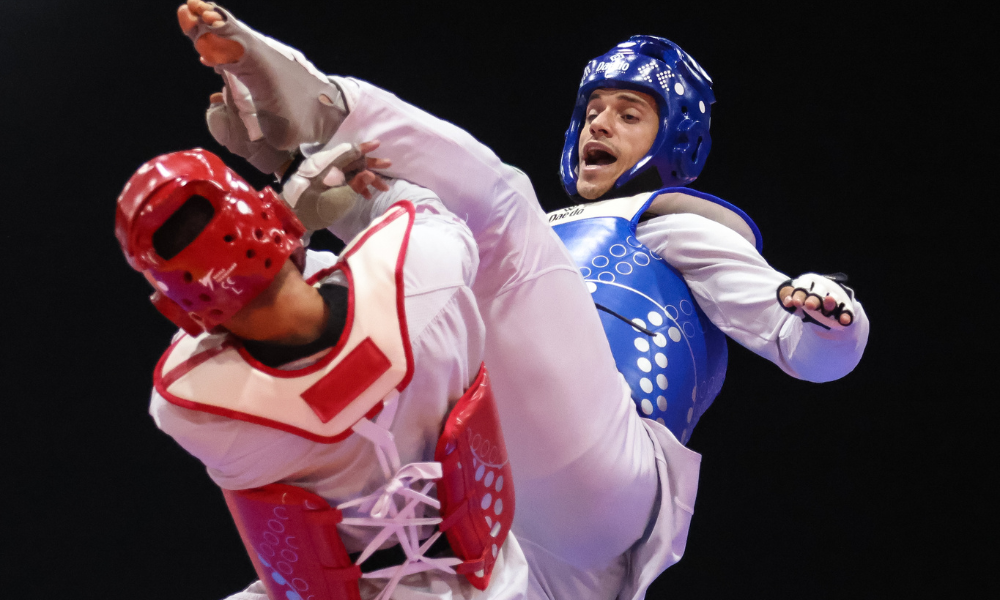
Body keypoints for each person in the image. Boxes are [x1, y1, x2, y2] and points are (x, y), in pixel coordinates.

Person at [153, 3, 701, 599]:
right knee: (503, 215)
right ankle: (326, 103)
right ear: (281, 235)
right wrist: (300, 158)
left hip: (464, 564)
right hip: (512, 558)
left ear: (181, 313)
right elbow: (470, 210)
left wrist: (291, 190)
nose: (599, 125)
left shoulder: (190, 404)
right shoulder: (421, 279)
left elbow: (300, 275)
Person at [547, 36, 870, 443]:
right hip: (497, 446)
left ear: (673, 141)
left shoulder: (673, 227)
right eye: (593, 112)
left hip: (609, 440)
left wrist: (836, 327)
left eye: (629, 116)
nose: (598, 124)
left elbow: (796, 345)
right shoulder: (532, 227)